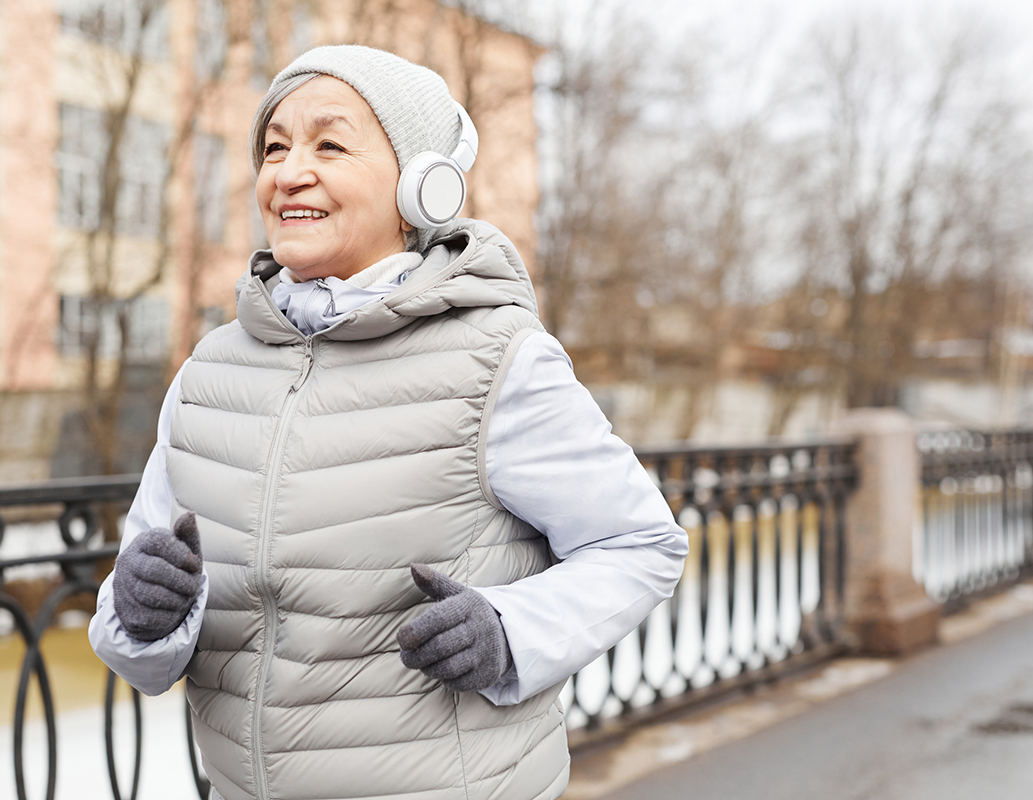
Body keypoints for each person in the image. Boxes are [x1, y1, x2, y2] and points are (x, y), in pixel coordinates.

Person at [90, 45, 687, 800]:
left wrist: (509, 632)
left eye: (329, 144)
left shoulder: (497, 359)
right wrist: (142, 615)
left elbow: (640, 545)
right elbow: (139, 639)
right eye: (274, 147)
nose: (289, 170)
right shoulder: (210, 373)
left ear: (420, 187)